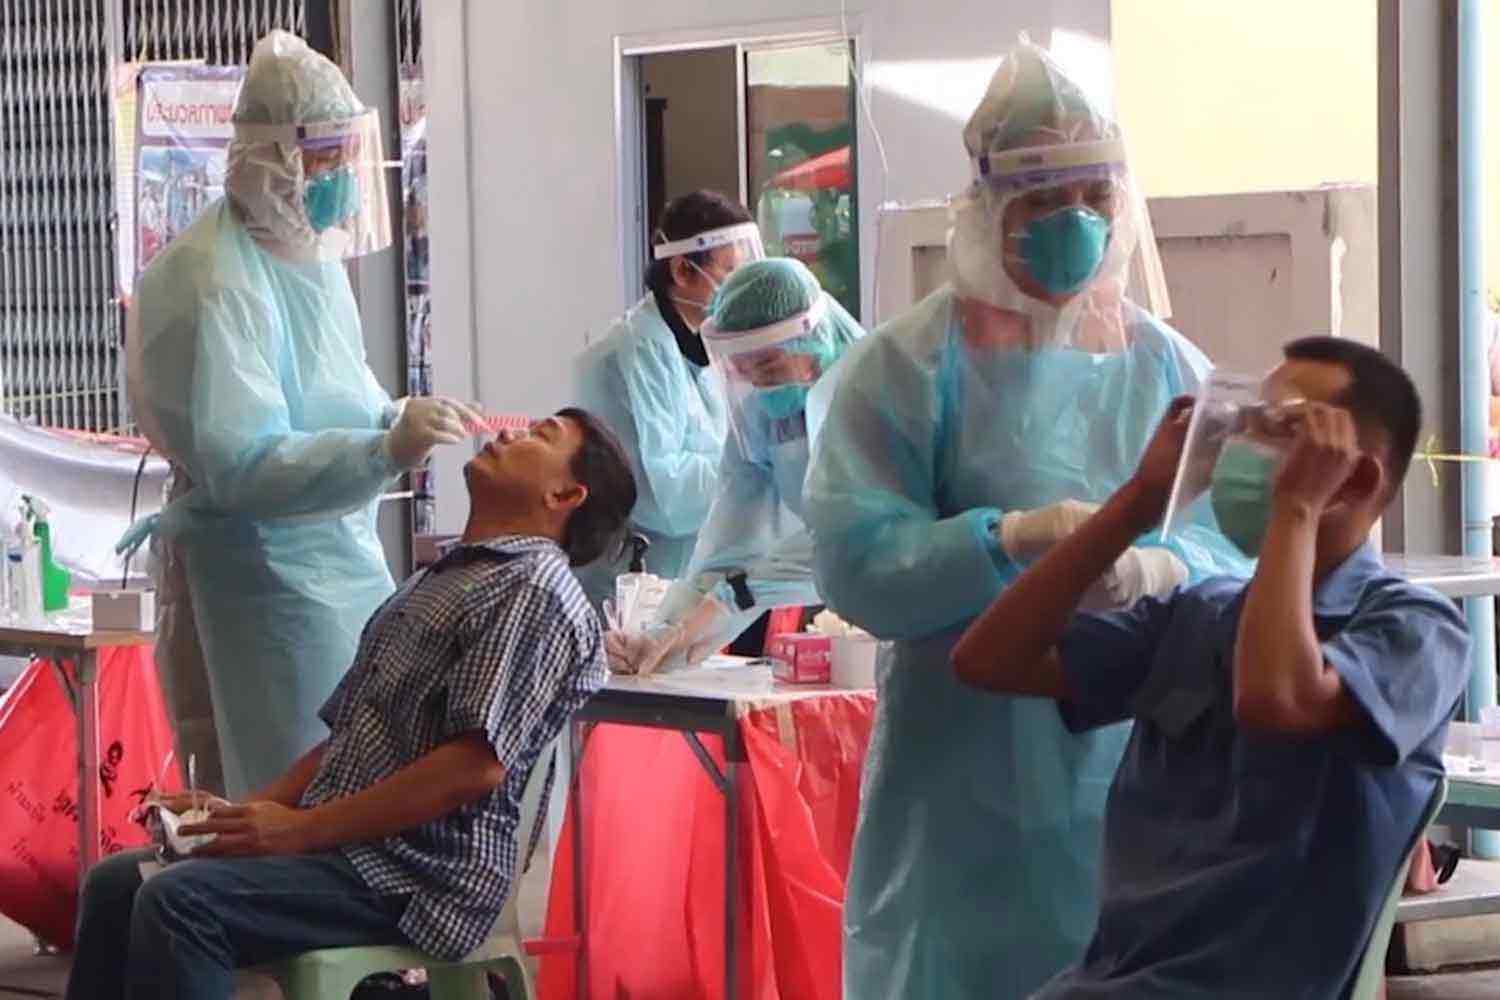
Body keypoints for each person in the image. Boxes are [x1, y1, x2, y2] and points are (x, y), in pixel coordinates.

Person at [804, 39, 1250, 997]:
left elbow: (1237, 538)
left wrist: (1160, 568)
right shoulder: (909, 366)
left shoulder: (1165, 364)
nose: (1075, 225)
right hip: (963, 764)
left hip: (1132, 756)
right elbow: (854, 563)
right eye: (1046, 202)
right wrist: (1004, 541)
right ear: (990, 209)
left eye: (1094, 198)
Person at [951, 338, 1470, 997]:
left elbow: (1274, 698)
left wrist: (1297, 510)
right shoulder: (1203, 614)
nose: (1242, 451)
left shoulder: (1413, 629)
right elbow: (989, 659)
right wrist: (1138, 501)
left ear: (1358, 479)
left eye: (1282, 430)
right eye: (1243, 425)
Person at [67, 409, 638, 1000]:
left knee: (180, 903)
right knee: (116, 883)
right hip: (357, 853)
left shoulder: (533, 589)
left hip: (419, 875)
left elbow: (473, 766)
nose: (509, 432)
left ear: (565, 494)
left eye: (540, 437)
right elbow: (347, 739)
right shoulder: (441, 578)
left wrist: (302, 830)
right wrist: (232, 818)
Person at [124, 30, 480, 798]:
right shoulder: (213, 281)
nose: (342, 182)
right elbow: (245, 464)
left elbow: (332, 393)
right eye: (327, 160)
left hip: (336, 563)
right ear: (272, 157)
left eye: (347, 160)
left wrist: (396, 414)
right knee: (281, 796)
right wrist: (382, 450)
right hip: (259, 584)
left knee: (353, 779)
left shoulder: (305, 257)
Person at [608, 257, 865, 674]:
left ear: (812, 343)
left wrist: (734, 595)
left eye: (766, 365)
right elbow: (727, 545)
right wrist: (662, 636)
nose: (757, 382)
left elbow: (850, 540)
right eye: (742, 368)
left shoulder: (869, 401)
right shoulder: (762, 417)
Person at [573, 190, 762, 610]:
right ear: (682, 269)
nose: (741, 287)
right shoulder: (634, 352)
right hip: (628, 592)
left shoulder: (700, 348)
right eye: (731, 271)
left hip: (681, 585)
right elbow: (667, 499)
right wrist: (754, 470)